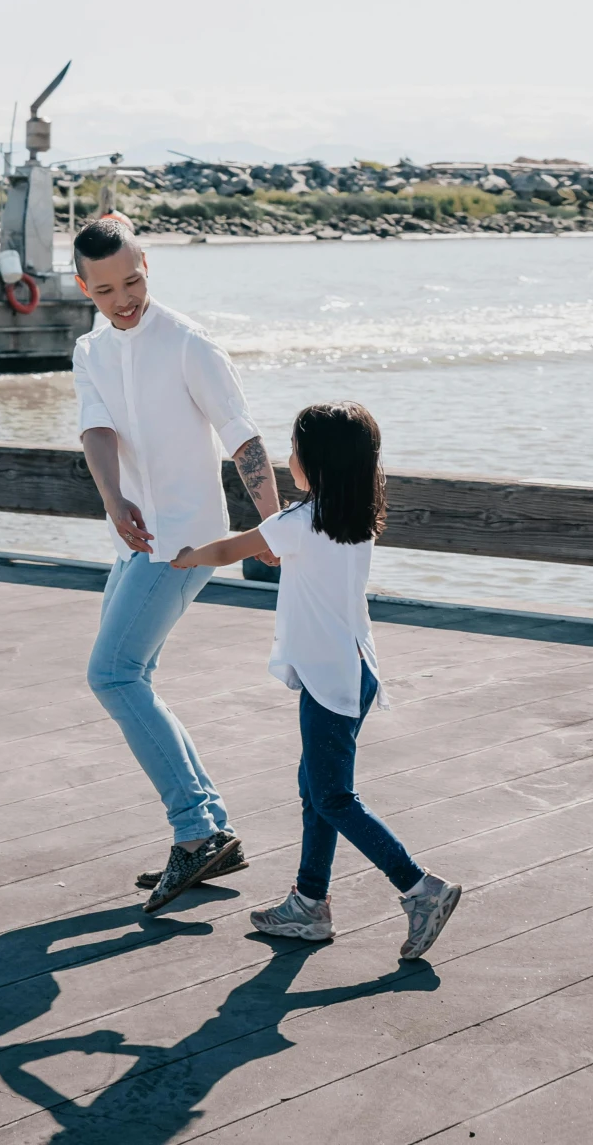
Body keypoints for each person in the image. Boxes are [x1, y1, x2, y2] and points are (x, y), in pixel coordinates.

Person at [172, 400, 462, 962]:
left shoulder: (300, 522)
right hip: (354, 669)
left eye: (295, 448)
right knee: (315, 790)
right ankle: (308, 903)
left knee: (331, 796)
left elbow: (235, 547)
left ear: (316, 463)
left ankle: (419, 888)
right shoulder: (352, 519)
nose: (288, 456)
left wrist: (187, 557)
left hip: (329, 681)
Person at [72, 215, 283, 915]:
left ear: (147, 266)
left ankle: (196, 831)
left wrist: (273, 524)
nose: (124, 297)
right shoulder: (92, 350)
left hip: (188, 540)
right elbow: (96, 428)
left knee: (113, 672)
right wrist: (112, 499)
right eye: (107, 288)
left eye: (132, 281)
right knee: (134, 676)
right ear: (85, 287)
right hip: (133, 541)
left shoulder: (190, 343)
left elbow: (242, 434)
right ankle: (210, 827)